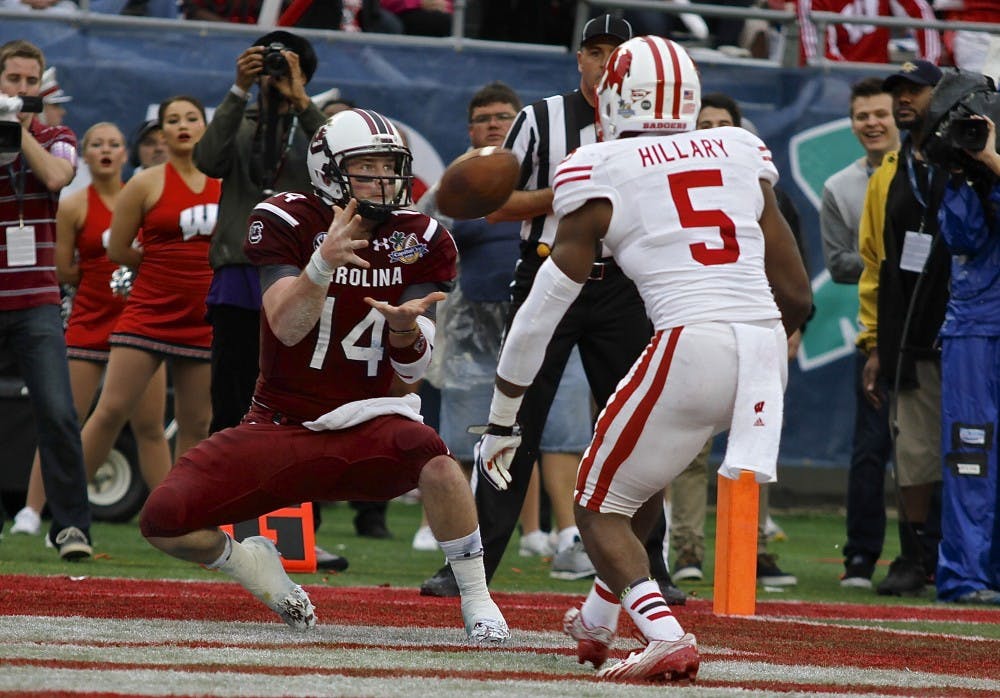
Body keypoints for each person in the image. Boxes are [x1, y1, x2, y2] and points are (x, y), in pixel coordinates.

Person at [475, 35, 811, 681]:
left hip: (692, 341)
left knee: (595, 506)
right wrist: (760, 347)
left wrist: (502, 417)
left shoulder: (596, 164)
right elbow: (795, 292)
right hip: (763, 347)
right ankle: (597, 623)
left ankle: (663, 634)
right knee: (637, 482)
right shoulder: (739, 147)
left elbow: (540, 315)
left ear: (611, 95)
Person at [139, 108, 510, 645]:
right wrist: (323, 264)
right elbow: (287, 328)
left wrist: (407, 332)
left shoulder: (421, 235)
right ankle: (253, 568)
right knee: (163, 522)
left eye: (392, 165)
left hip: (367, 420)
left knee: (440, 464)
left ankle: (478, 600)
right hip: (280, 423)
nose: (385, 177)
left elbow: (411, 367)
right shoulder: (286, 218)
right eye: (369, 166)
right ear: (328, 172)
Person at [420, 14, 685, 603]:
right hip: (549, 274)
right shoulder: (539, 118)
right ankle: (471, 569)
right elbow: (495, 204)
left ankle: (655, 569)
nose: (604, 61)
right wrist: (568, 192)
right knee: (511, 426)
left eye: (616, 51)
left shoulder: (659, 126)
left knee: (639, 430)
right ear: (579, 59)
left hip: (625, 283)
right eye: (593, 51)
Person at [414, 81, 593, 567]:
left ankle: (566, 533)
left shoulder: (564, 170)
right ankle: (451, 527)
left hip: (557, 311)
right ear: (470, 128)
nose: (494, 124)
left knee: (563, 428)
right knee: (468, 429)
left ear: (522, 126)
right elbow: (420, 238)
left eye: (503, 117)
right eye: (484, 117)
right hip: (478, 321)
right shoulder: (456, 183)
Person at [193, 31, 348, 570]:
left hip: (299, 275)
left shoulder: (316, 128)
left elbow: (342, 176)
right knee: (232, 403)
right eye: (269, 64)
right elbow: (208, 159)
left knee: (306, 405)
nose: (277, 74)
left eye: (288, 66)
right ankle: (219, 526)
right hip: (239, 271)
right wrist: (238, 90)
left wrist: (303, 100)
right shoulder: (243, 121)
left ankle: (303, 533)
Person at [8, 122, 170, 538]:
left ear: (125, 154)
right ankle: (32, 510)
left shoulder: (144, 196)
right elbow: (63, 268)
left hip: (140, 321)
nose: (105, 151)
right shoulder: (75, 204)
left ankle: (170, 514)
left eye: (114, 144)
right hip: (89, 320)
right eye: (96, 144)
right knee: (64, 418)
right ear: (85, 153)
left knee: (150, 425)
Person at [667, 92, 802, 588]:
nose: (714, 131)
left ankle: (753, 549)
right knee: (689, 447)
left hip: (755, 326)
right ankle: (687, 547)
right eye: (705, 123)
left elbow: (794, 271)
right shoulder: (667, 184)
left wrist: (788, 327)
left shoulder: (762, 188)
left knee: (754, 439)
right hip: (696, 320)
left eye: (724, 124)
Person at [78, 96, 219, 499]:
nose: (182, 125)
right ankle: (67, 508)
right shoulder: (145, 182)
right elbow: (118, 249)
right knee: (110, 410)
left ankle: (183, 515)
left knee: (196, 422)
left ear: (204, 127)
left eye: (191, 118)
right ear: (162, 132)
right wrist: (157, 266)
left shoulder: (223, 180)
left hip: (203, 315)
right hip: (150, 310)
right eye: (172, 120)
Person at [857, 59, 948, 596]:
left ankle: (967, 552)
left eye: (915, 90)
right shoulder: (888, 172)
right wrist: (873, 341)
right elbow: (876, 261)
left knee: (969, 448)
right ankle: (916, 554)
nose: (904, 100)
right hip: (907, 333)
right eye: (900, 92)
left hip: (969, 328)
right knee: (912, 450)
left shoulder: (968, 158)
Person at [0, 39, 92, 559]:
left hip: (35, 300)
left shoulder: (57, 135)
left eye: (30, 82)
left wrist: (19, 128)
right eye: (12, 80)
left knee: (57, 412)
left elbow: (58, 177)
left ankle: (71, 527)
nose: (21, 89)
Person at [819, 76, 899, 588]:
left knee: (929, 448)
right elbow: (838, 264)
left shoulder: (928, 173)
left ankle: (926, 555)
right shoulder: (840, 187)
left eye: (880, 114)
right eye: (862, 115)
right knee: (869, 449)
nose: (871, 123)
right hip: (873, 331)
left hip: (928, 330)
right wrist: (891, 261)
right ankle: (860, 558)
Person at [934, 108, 1000, 604]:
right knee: (971, 454)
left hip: (978, 329)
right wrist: (963, 168)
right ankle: (965, 576)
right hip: (974, 331)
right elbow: (962, 238)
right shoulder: (964, 182)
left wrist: (992, 160)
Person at [798, 0, 941, 65]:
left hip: (877, 79)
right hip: (831, 85)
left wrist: (927, 67)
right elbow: (817, 57)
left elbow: (920, 13)